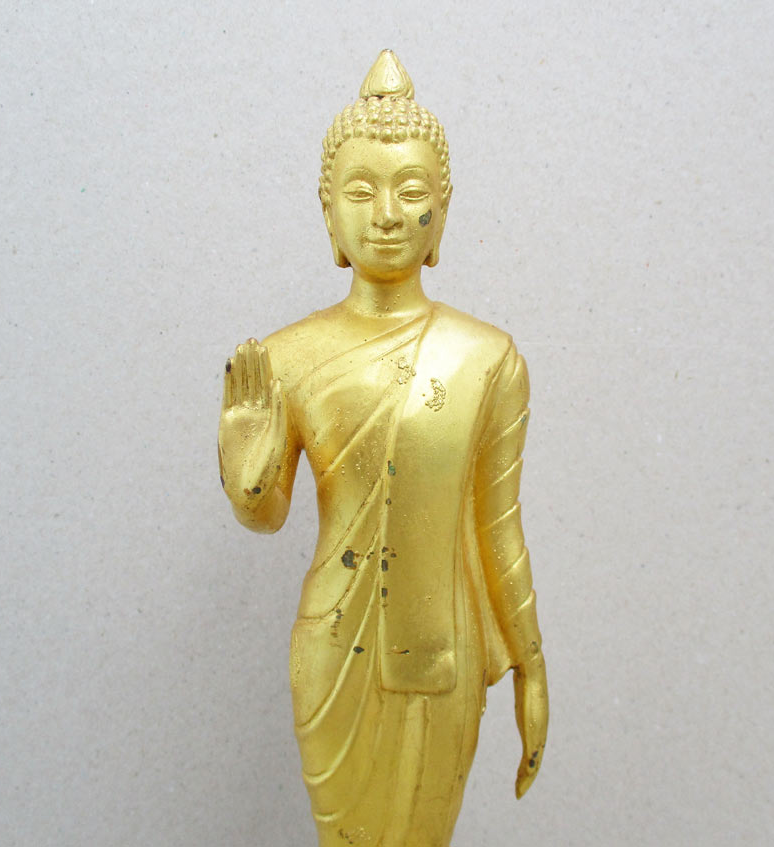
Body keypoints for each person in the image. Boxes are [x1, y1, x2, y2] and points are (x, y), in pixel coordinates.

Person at [219, 50, 548, 847]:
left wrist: (531, 660)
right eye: (362, 191)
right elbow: (268, 515)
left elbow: (498, 528)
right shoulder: (289, 356)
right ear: (328, 213)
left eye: (412, 190)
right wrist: (247, 478)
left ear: (444, 210)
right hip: (336, 645)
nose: (388, 214)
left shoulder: (488, 358)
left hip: (443, 648)